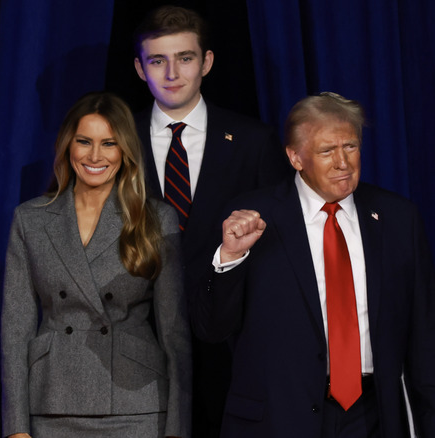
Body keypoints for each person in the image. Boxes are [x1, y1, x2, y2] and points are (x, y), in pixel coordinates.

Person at [191, 92, 435, 437]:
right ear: (295, 157)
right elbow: (212, 328)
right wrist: (230, 258)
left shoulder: (397, 218)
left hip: (373, 417)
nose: (343, 162)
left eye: (350, 146)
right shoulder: (252, 216)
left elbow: (427, 338)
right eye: (327, 151)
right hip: (279, 419)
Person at [132, 6, 291, 436]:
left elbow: (280, 247)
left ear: (207, 62)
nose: (171, 73)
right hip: (134, 352)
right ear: (140, 69)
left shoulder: (254, 141)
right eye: (157, 60)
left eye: (184, 58)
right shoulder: (115, 140)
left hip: (230, 349)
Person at [1, 91, 191, 438]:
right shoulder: (30, 219)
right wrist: (15, 428)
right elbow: (15, 332)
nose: (94, 155)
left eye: (109, 144)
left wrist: (177, 428)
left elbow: (174, 332)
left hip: (137, 404)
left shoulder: (155, 218)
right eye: (84, 142)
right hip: (52, 401)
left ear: (125, 151)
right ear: (67, 146)